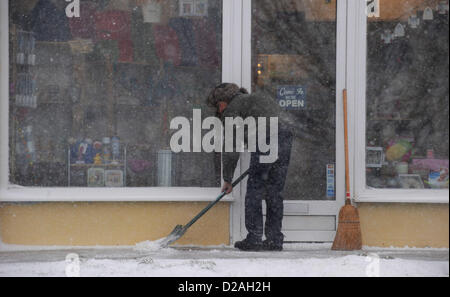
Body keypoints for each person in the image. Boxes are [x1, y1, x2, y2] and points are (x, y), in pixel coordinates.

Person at [206, 83, 293, 251]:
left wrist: (228, 179)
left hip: (265, 137)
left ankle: (254, 238)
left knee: (255, 190)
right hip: (285, 135)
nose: (219, 112)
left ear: (222, 102)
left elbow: (231, 146)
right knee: (275, 191)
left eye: (217, 107)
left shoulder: (232, 109)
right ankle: (274, 239)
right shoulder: (255, 99)